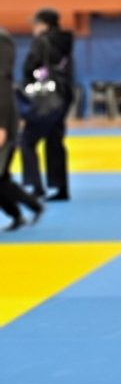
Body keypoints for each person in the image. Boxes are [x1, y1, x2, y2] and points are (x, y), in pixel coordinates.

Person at [20, 7, 74, 201]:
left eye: (36, 24)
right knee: (55, 141)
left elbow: (30, 67)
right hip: (62, 97)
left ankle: (36, 186)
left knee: (27, 141)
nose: (33, 28)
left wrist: (26, 86)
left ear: (44, 25)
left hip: (44, 99)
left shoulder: (41, 41)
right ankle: (61, 188)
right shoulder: (65, 42)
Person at [0, 26, 45, 231]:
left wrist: (2, 125)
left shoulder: (2, 41)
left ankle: (30, 207)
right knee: (2, 178)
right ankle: (23, 212)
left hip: (3, 123)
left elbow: (3, 82)